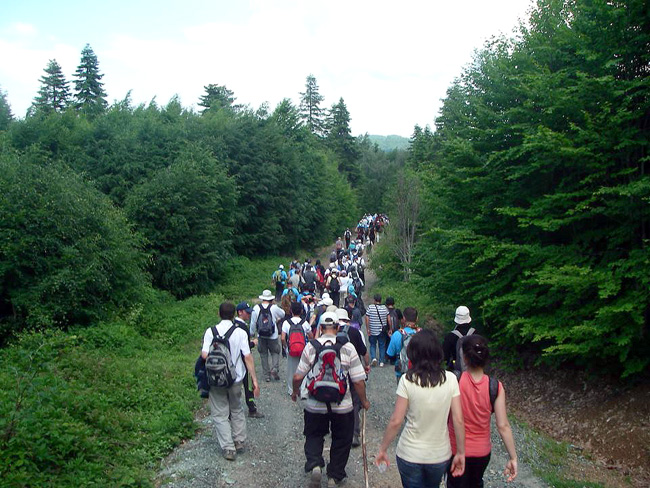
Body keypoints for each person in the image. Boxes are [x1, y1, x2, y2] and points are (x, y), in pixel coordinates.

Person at [376, 329, 465, 487]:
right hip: (439, 454)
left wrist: (383, 448)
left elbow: (396, 420)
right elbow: (458, 419)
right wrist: (460, 452)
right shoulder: (451, 379)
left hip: (409, 453)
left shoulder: (407, 380)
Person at [292, 312, 371, 487]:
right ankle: (334, 475)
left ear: (320, 328)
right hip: (343, 405)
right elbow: (358, 380)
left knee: (313, 434)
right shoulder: (348, 347)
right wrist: (364, 401)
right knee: (342, 438)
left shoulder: (311, 346)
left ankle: (315, 465)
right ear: (337, 327)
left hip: (314, 404)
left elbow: (298, 376)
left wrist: (295, 392)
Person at [447, 335, 518, 487]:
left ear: (464, 357)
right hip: (482, 452)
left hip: (454, 449)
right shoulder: (495, 386)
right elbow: (503, 426)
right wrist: (513, 457)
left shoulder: (454, 380)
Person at [201, 302, 260, 461]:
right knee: (236, 408)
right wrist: (254, 379)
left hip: (216, 380)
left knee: (220, 413)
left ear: (218, 314)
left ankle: (228, 448)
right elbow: (247, 357)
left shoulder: (210, 331)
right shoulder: (240, 332)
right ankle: (239, 440)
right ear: (234, 314)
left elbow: (204, 355)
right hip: (236, 378)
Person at [336, 308, 369, 448]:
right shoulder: (356, 332)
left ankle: (338, 431)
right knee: (355, 402)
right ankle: (354, 434)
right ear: (348, 320)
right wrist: (367, 366)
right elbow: (364, 352)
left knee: (337, 399)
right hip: (353, 370)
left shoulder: (330, 332)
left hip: (336, 372)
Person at [234, 302, 265, 418]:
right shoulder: (242, 327)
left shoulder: (234, 325)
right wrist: (252, 343)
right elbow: (244, 346)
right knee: (249, 385)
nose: (248, 315)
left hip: (235, 360)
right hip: (244, 360)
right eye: (247, 312)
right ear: (240, 312)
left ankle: (232, 409)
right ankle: (251, 408)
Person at [250, 289, 285, 382]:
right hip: (272, 335)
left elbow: (253, 322)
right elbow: (283, 314)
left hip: (261, 335)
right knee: (275, 352)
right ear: (271, 299)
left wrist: (252, 333)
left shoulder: (256, 308)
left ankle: (267, 376)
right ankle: (274, 369)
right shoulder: (274, 307)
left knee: (263, 354)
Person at [281, 301, 314, 396]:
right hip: (303, 349)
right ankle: (302, 390)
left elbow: (283, 338)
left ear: (291, 311)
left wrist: (286, 347)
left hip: (291, 350)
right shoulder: (305, 323)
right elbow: (311, 336)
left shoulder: (286, 323)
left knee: (291, 370)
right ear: (301, 311)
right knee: (303, 369)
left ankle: (291, 390)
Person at [386, 306, 419, 383]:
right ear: (417, 319)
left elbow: (390, 354)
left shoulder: (397, 334)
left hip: (402, 371)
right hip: (419, 371)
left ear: (403, 318)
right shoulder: (422, 333)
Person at [443, 306, 476, 371]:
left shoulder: (450, 336)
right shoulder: (476, 334)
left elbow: (445, 356)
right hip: (474, 370)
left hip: (456, 372)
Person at [365, 294, 389, 367]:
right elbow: (388, 318)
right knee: (382, 345)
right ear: (380, 300)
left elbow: (367, 318)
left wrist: (368, 328)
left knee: (372, 345)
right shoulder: (384, 308)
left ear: (374, 300)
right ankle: (381, 361)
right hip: (382, 330)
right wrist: (390, 328)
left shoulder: (370, 307)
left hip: (372, 329)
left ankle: (374, 358)